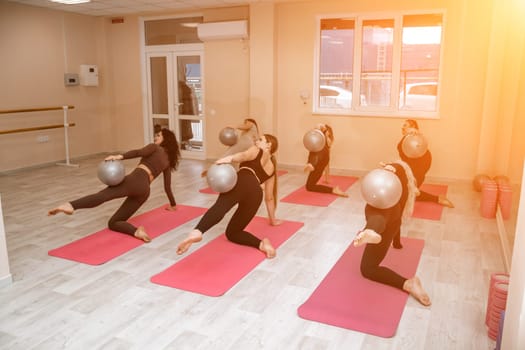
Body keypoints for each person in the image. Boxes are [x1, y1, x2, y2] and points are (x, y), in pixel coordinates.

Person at [48, 128, 181, 243]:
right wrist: (173, 205)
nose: (155, 137)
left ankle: (71, 205)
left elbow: (138, 152)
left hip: (135, 180)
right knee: (114, 223)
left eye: (159, 135)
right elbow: (167, 187)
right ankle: (136, 232)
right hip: (144, 191)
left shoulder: (154, 147)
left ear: (165, 139)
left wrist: (119, 156)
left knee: (102, 196)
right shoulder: (167, 162)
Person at [178, 134, 281, 258]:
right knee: (233, 233)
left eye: (260, 140)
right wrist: (272, 220)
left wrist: (229, 158)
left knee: (221, 206)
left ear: (269, 145)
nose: (256, 141)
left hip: (242, 181)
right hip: (256, 195)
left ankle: (197, 231)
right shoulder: (272, 168)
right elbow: (269, 198)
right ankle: (262, 244)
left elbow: (243, 156)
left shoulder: (257, 150)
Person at [353, 162, 431, 307]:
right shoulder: (401, 192)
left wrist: (391, 167)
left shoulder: (396, 174)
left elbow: (397, 167)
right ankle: (371, 231)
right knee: (380, 216)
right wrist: (397, 242)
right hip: (393, 220)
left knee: (368, 269)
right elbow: (398, 222)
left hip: (383, 218)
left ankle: (408, 283)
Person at [397, 119, 454, 208]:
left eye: (405, 125)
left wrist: (416, 133)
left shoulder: (415, 137)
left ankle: (438, 199)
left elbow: (419, 145)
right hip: (410, 166)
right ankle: (438, 198)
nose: (402, 127)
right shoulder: (406, 139)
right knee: (407, 192)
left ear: (413, 128)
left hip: (421, 164)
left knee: (409, 192)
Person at [303, 124, 348, 197]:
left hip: (321, 160)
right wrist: (327, 179)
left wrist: (325, 131)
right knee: (309, 186)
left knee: (315, 150)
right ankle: (333, 190)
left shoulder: (326, 141)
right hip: (318, 163)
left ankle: (310, 164)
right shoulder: (316, 141)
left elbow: (327, 164)